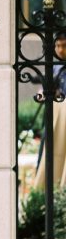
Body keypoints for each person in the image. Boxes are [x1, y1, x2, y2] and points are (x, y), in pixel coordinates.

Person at [33, 30, 66, 190]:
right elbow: (47, 87)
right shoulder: (54, 66)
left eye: (64, 46)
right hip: (55, 117)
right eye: (58, 46)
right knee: (47, 151)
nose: (60, 50)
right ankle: (44, 190)